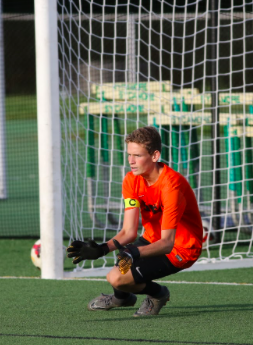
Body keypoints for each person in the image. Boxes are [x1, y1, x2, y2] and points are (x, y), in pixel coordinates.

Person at [67, 126, 203, 316]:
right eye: (129, 154)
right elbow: (129, 232)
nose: (131, 161)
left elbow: (167, 244)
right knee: (117, 273)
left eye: (137, 155)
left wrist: (134, 251)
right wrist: (102, 249)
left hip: (180, 249)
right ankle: (123, 299)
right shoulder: (132, 180)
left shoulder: (172, 187)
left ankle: (158, 294)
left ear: (155, 156)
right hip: (152, 238)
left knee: (119, 278)